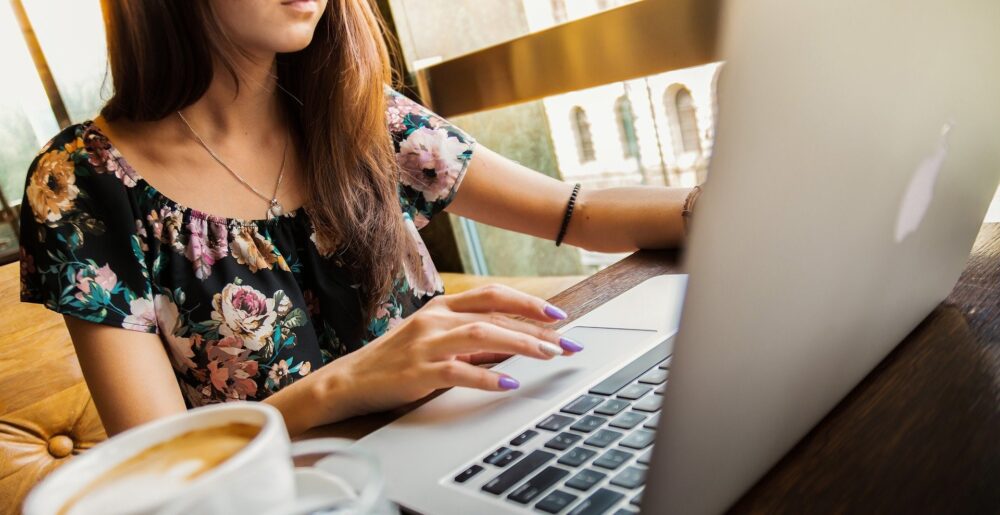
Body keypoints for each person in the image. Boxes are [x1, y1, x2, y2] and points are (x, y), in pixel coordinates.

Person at [18, 0, 692, 438]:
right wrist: (346, 384)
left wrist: (714, 206)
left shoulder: (357, 112)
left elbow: (576, 211)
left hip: (465, 443)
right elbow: (160, 462)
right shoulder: (81, 183)